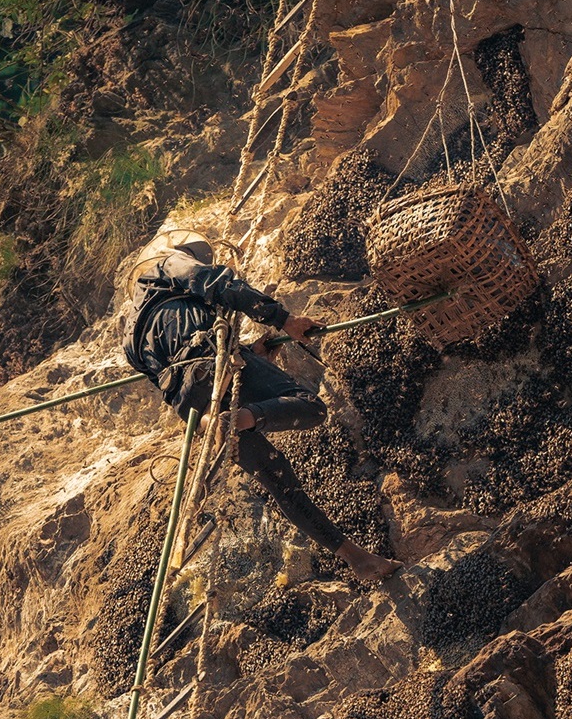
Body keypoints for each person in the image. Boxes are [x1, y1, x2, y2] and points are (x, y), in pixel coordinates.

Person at [122, 229, 401, 581]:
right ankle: (240, 419)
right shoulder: (168, 264)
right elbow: (215, 282)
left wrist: (251, 355)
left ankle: (356, 558)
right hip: (209, 360)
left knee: (277, 480)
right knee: (310, 407)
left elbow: (172, 374)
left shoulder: (129, 335)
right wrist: (284, 320)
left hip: (190, 403)